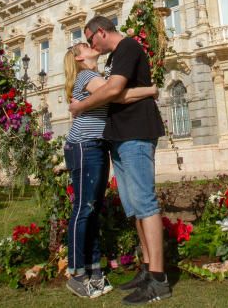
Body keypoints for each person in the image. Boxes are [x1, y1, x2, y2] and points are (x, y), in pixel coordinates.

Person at [69, 16, 170, 305]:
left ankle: (159, 279)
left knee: (146, 203)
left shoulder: (128, 47)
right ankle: (147, 268)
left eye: (90, 39)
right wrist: (149, 90)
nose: (91, 45)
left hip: (137, 132)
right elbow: (117, 91)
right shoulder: (115, 57)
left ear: (101, 32)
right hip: (121, 136)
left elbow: (114, 91)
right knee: (135, 207)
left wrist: (79, 107)